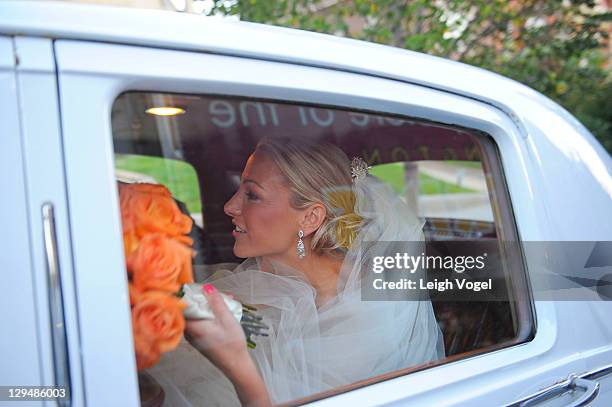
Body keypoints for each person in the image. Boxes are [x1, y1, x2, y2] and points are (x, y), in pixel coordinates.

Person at [155, 137, 444, 406]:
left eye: (252, 195)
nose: (229, 206)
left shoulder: (366, 319)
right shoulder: (258, 278)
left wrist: (236, 364)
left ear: (310, 217)